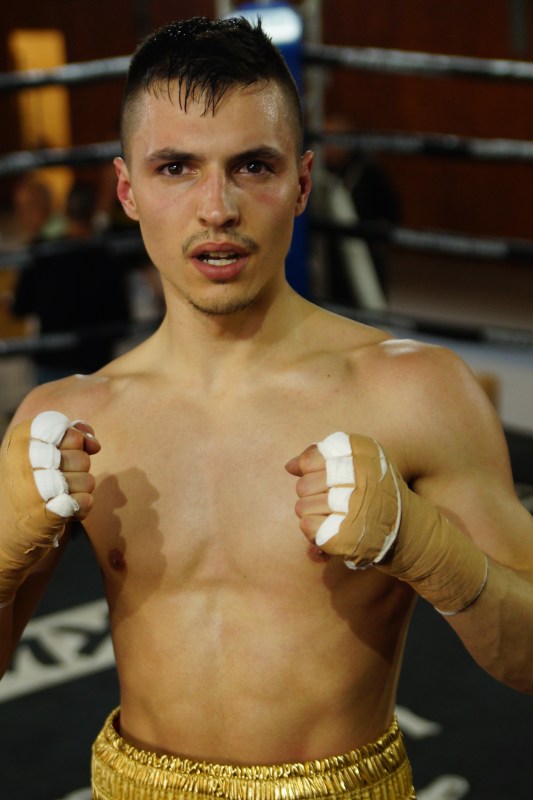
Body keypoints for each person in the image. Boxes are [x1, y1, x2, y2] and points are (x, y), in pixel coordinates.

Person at [0, 16, 532, 800]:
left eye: (252, 166)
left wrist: (428, 550)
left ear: (302, 183)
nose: (216, 208)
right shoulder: (73, 414)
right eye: (176, 167)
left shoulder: (413, 392)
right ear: (127, 191)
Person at [11, 180, 132, 383]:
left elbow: (20, 306)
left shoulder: (43, 251)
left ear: (64, 209)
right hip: (96, 362)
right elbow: (122, 318)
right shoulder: (107, 255)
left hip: (51, 362)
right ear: (95, 212)